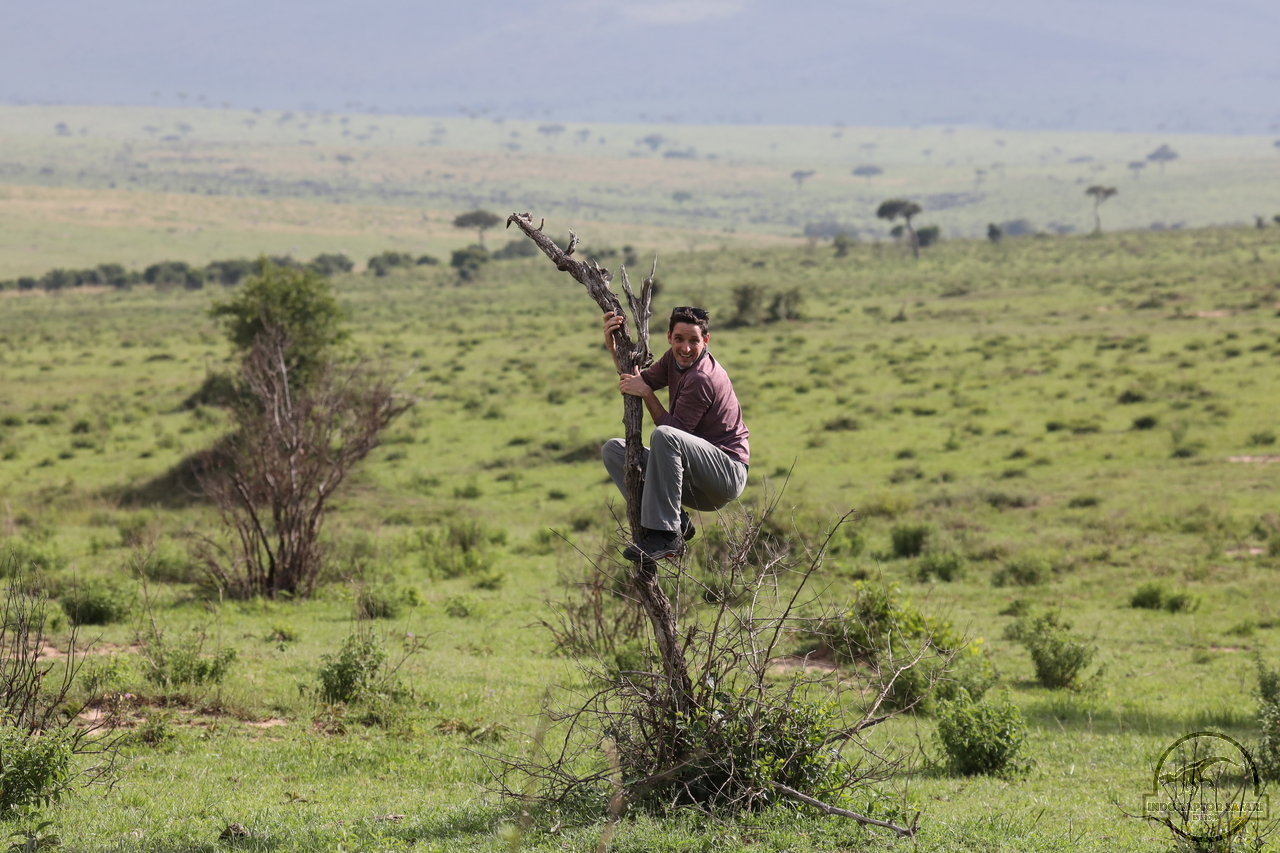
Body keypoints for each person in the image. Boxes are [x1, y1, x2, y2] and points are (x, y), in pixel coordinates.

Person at [600, 306, 750, 561]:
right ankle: (676, 521)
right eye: (679, 339)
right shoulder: (673, 359)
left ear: (706, 340)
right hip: (692, 476)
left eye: (694, 340)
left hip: (725, 476)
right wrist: (614, 349)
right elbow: (638, 382)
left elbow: (673, 431)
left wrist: (647, 394)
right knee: (613, 450)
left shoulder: (702, 377)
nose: (686, 348)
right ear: (669, 337)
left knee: (665, 436)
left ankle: (666, 535)